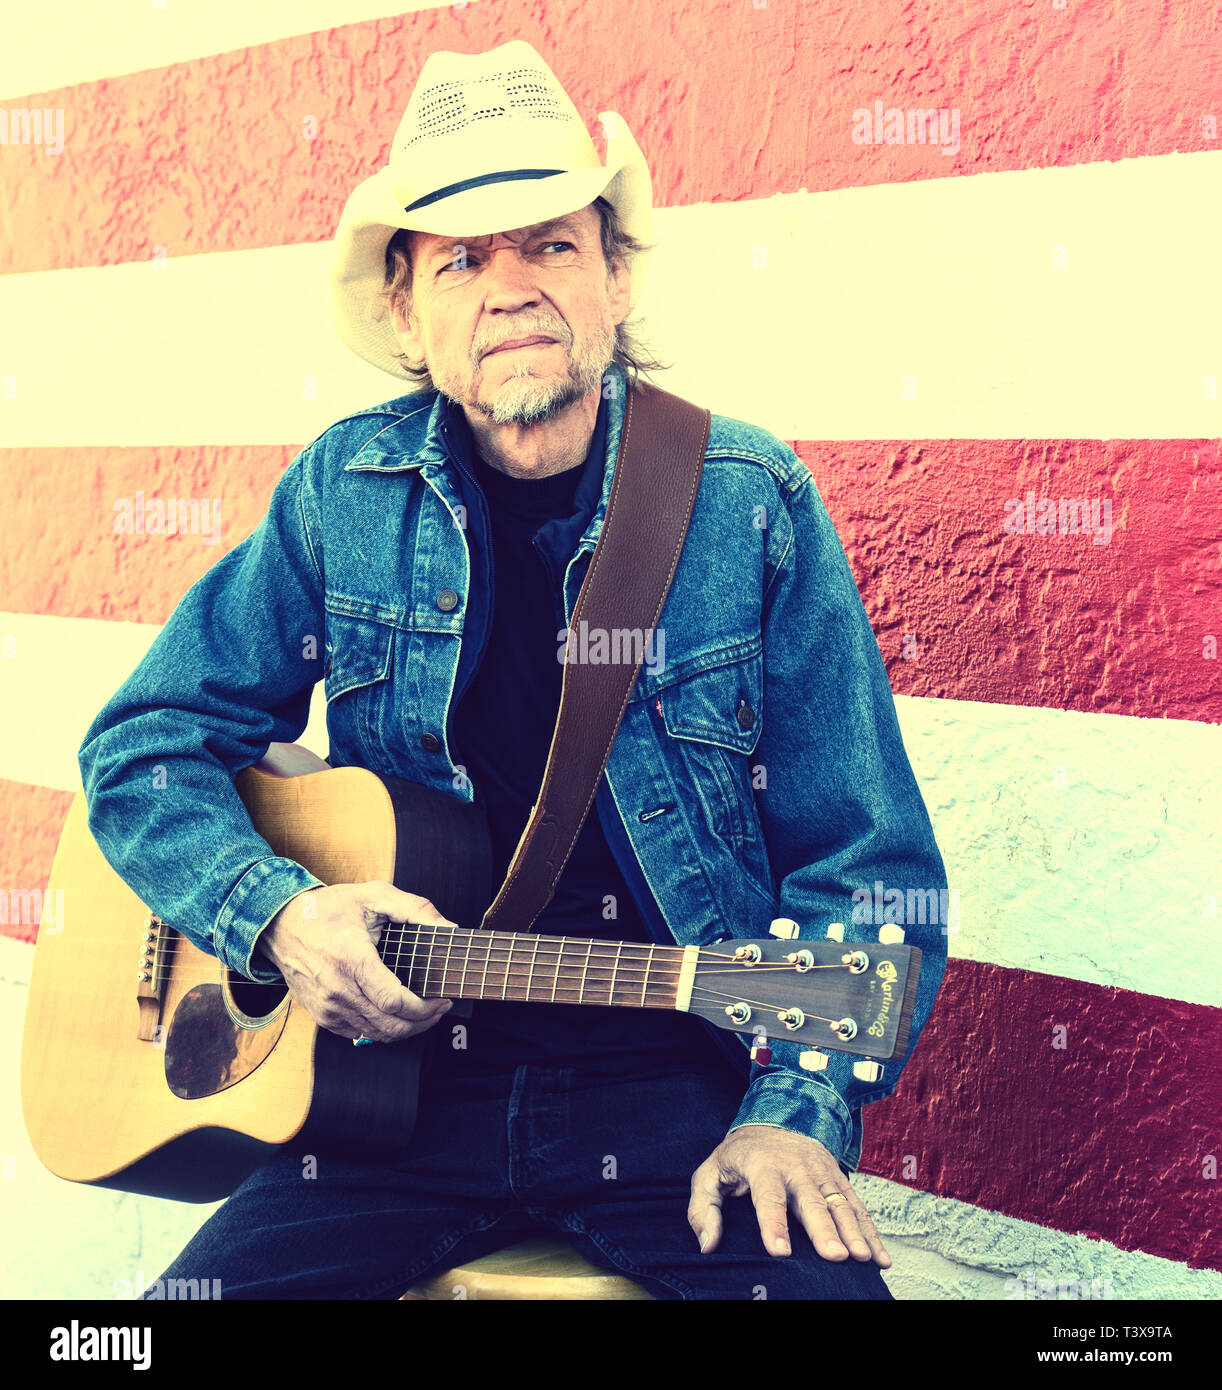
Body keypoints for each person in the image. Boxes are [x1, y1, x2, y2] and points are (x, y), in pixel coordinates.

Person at [79, 40, 948, 1300]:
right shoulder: (343, 490)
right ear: (407, 311)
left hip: (667, 1091)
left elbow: (869, 871)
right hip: (383, 1100)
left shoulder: (746, 502)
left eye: (550, 243)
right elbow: (143, 742)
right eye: (461, 259)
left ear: (611, 276)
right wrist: (276, 911)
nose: (512, 288)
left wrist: (793, 1112)